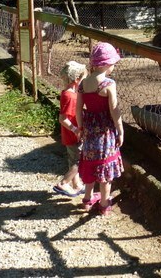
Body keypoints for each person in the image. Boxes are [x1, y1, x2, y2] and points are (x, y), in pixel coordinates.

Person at [76, 42, 124, 216]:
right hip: (105, 133)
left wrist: (80, 128)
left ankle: (87, 200)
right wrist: (120, 130)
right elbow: (114, 110)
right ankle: (104, 203)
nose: (113, 67)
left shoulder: (83, 83)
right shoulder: (108, 84)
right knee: (105, 167)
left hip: (89, 131)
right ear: (105, 64)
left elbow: (78, 109)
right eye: (112, 64)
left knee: (90, 164)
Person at [53, 61, 87, 198]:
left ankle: (77, 184)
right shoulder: (70, 96)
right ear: (77, 79)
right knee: (79, 161)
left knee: (73, 160)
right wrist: (76, 130)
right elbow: (63, 119)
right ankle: (63, 183)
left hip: (71, 134)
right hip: (73, 135)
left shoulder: (69, 93)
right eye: (84, 78)